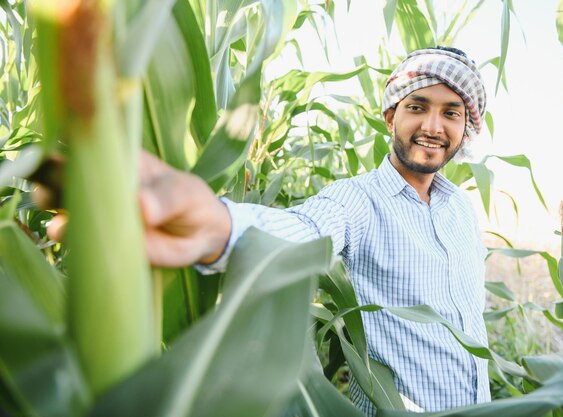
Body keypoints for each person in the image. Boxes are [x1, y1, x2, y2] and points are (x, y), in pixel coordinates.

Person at [50, 46, 490, 415]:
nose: (433, 127)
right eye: (418, 107)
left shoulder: (462, 210)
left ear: (464, 128)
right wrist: (222, 227)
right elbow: (307, 227)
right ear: (391, 115)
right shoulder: (360, 200)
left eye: (450, 113)